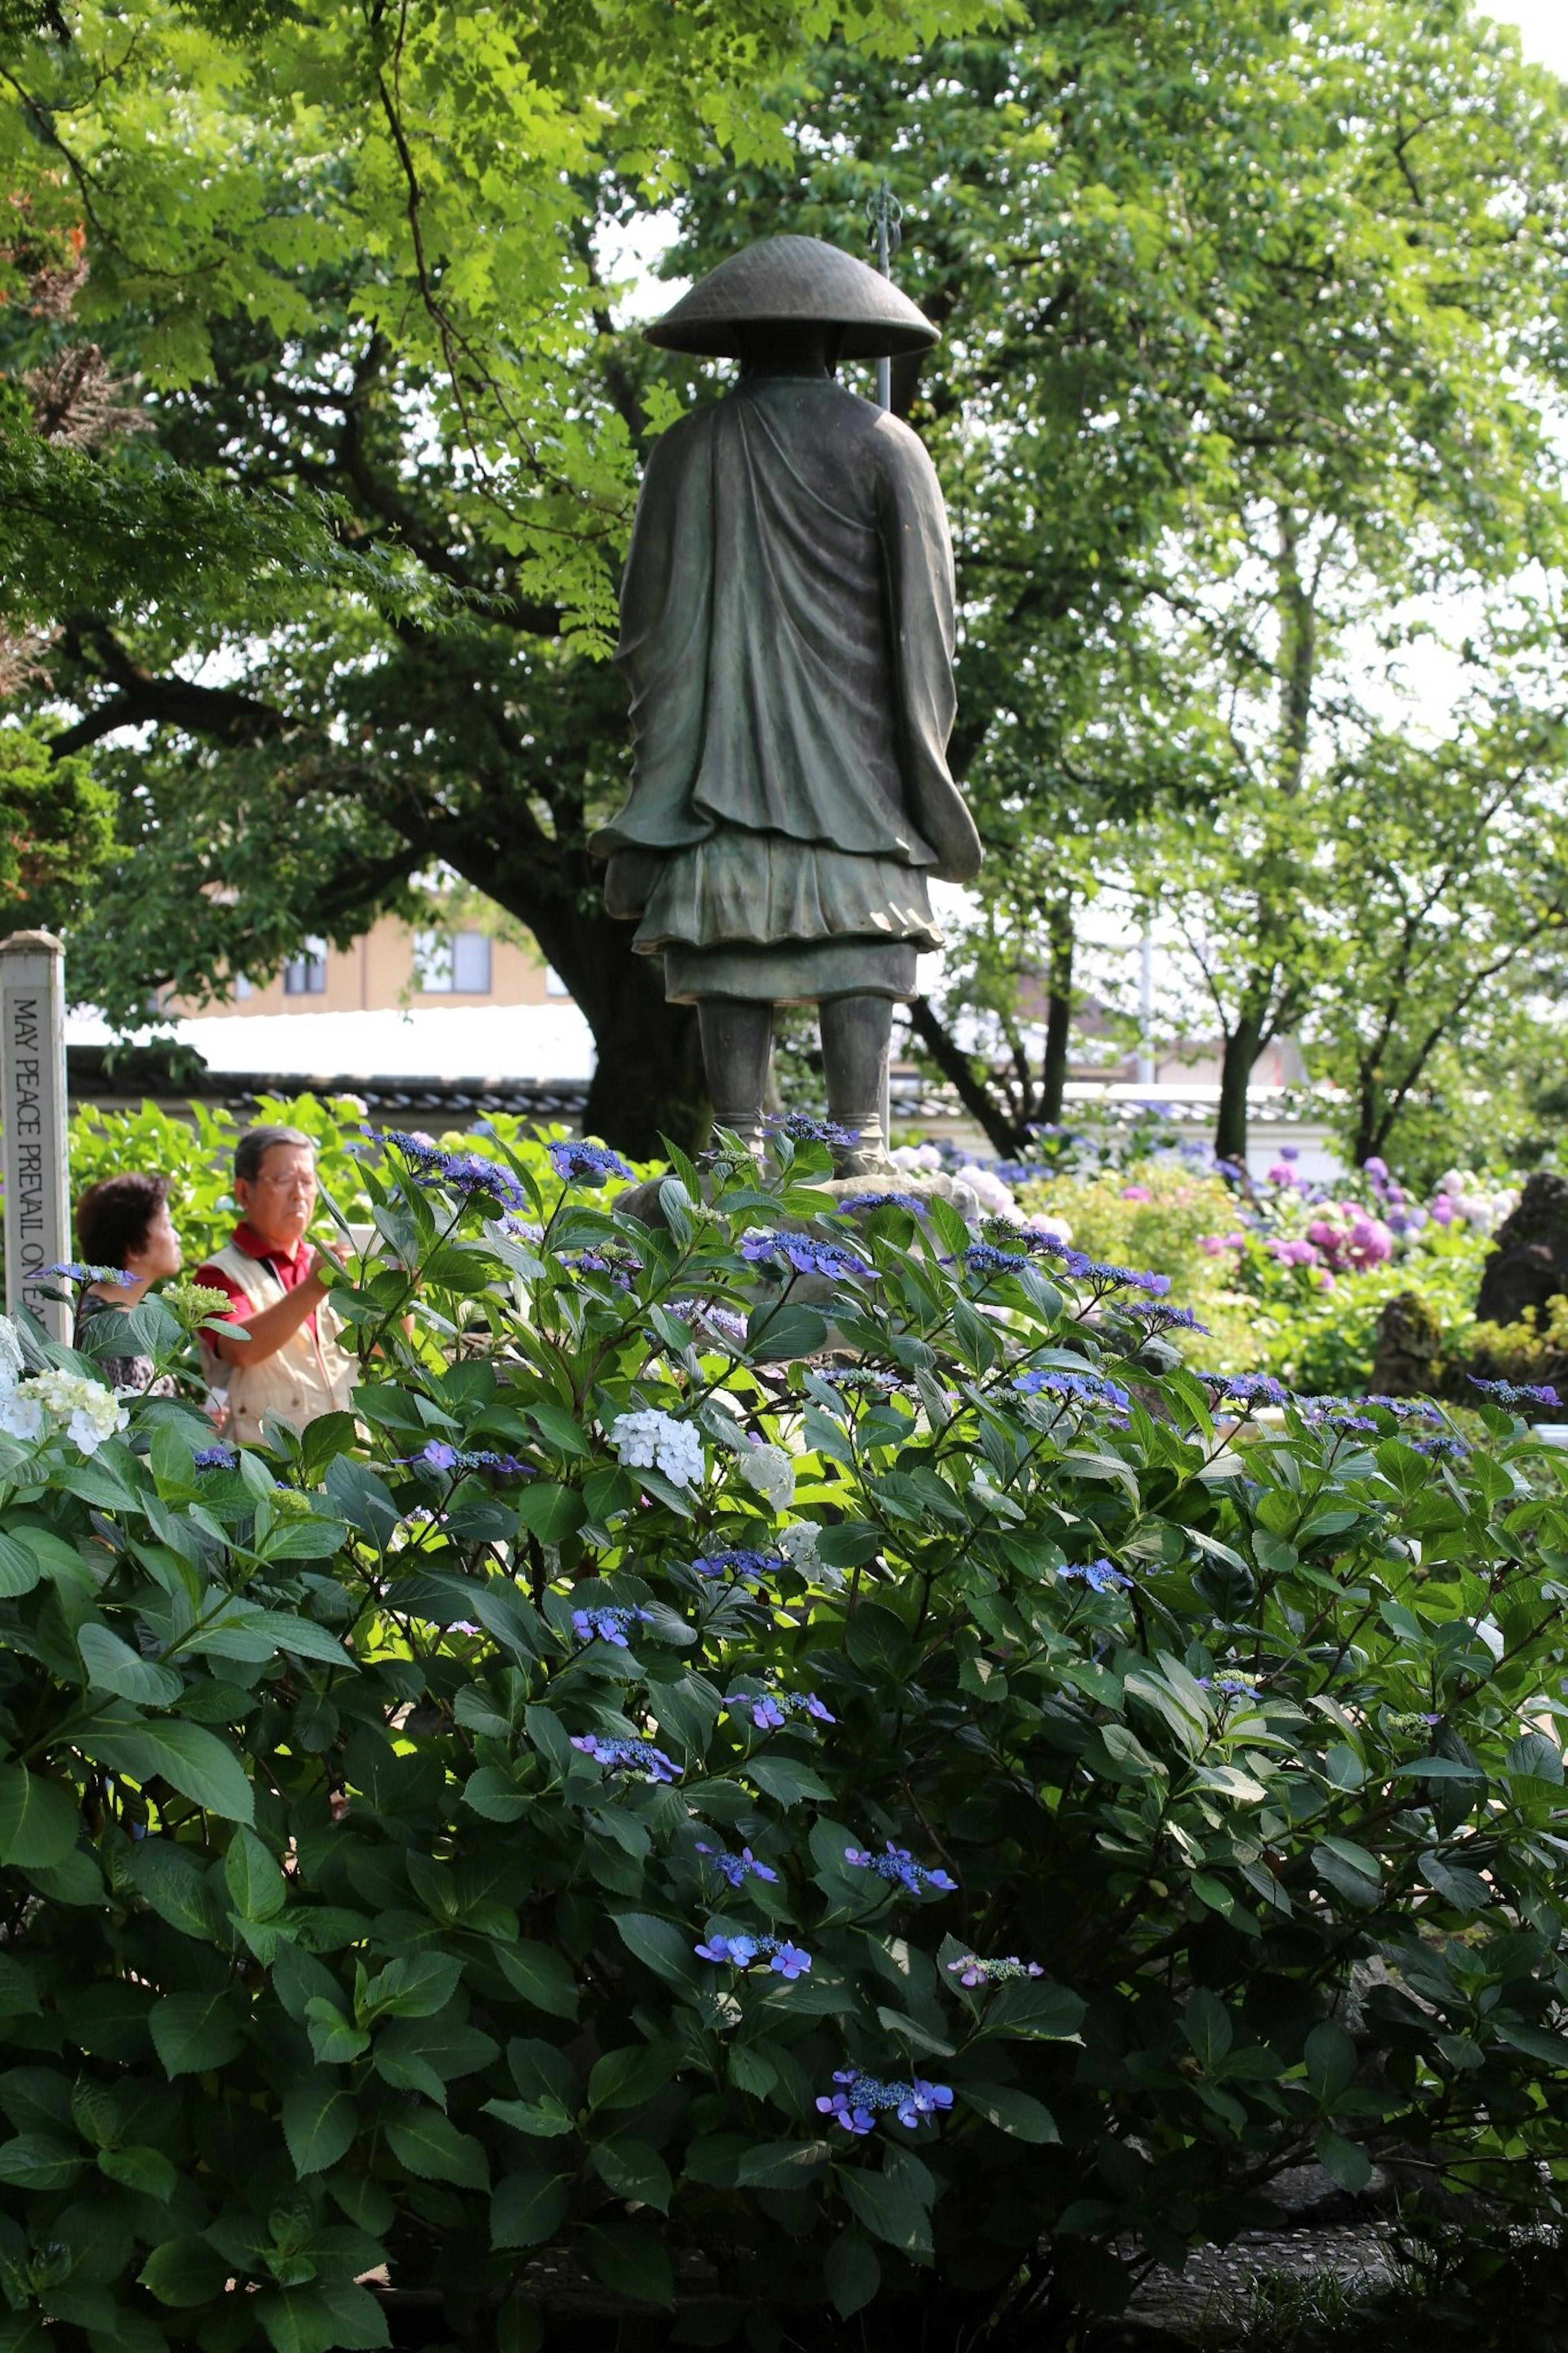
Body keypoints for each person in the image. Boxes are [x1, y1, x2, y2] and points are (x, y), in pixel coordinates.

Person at [591, 233, 982, 1174]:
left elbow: (645, 622)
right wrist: (916, 733)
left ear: (738, 339)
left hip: (720, 755)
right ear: (841, 340)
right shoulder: (888, 446)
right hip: (858, 761)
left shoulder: (685, 449)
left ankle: (737, 1140)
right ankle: (862, 1141)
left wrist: (672, 734)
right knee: (859, 930)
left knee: (729, 927)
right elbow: (928, 625)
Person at [193, 1125, 356, 1446]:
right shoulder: (217, 1274)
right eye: (283, 1180)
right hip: (263, 1475)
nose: (299, 1193)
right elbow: (240, 1348)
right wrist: (313, 1288)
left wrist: (405, 1291)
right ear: (244, 1192)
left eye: (308, 1182)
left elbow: (380, 1348)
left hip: (346, 1469)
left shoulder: (324, 1261)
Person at [73, 1172, 183, 1395]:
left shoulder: (128, 1318)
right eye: (166, 1225)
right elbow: (111, 1423)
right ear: (133, 1248)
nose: (177, 1237)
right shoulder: (101, 1329)